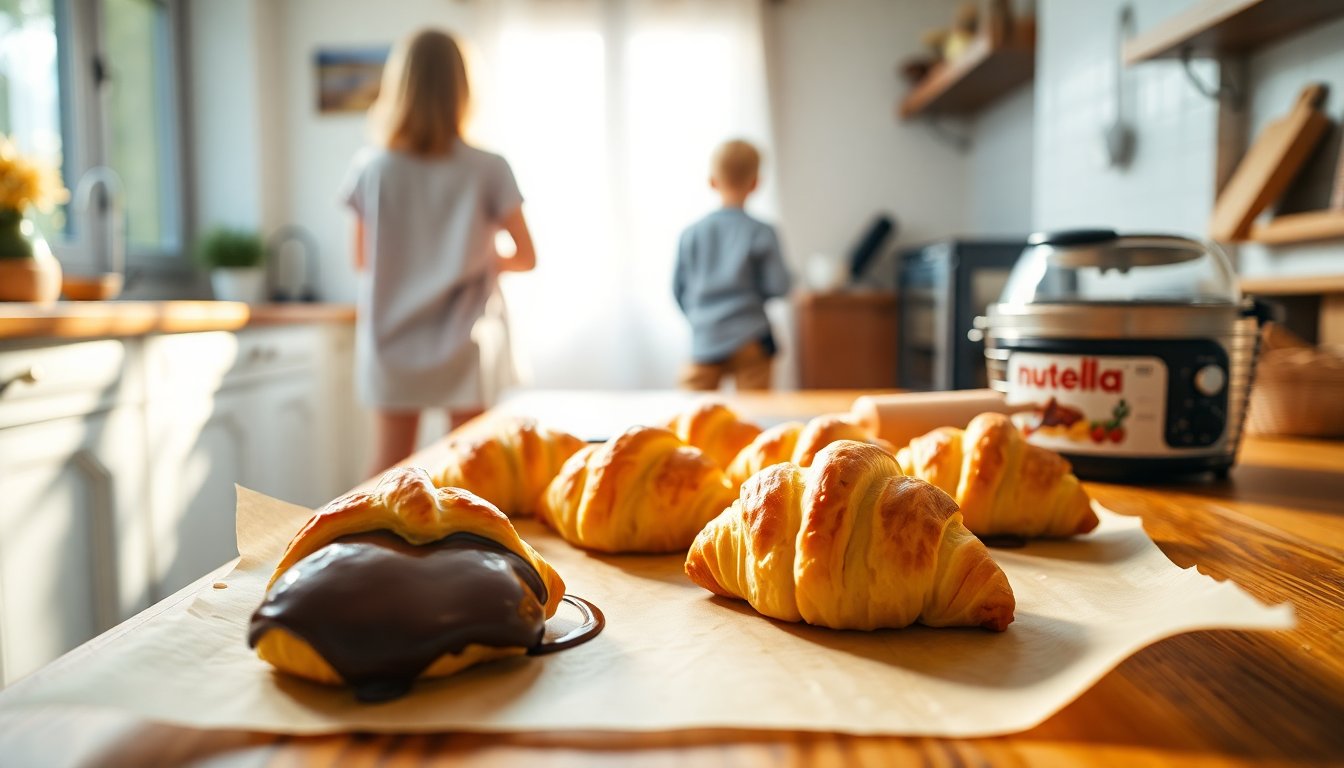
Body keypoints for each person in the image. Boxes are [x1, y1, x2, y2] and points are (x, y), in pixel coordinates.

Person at [341, 28, 536, 476]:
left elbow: (362, 260)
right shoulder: (489, 167)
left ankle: (377, 548)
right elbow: (526, 256)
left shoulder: (371, 168)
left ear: (400, 86)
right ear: (464, 89)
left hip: (390, 337)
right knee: (471, 470)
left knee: (388, 469)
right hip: (465, 335)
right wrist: (476, 258)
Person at [673, 139, 791, 391]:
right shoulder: (762, 232)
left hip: (705, 337)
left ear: (712, 181)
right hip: (750, 338)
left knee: (692, 412)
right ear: (755, 183)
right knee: (757, 413)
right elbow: (779, 285)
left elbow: (678, 290)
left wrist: (701, 318)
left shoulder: (691, 233)